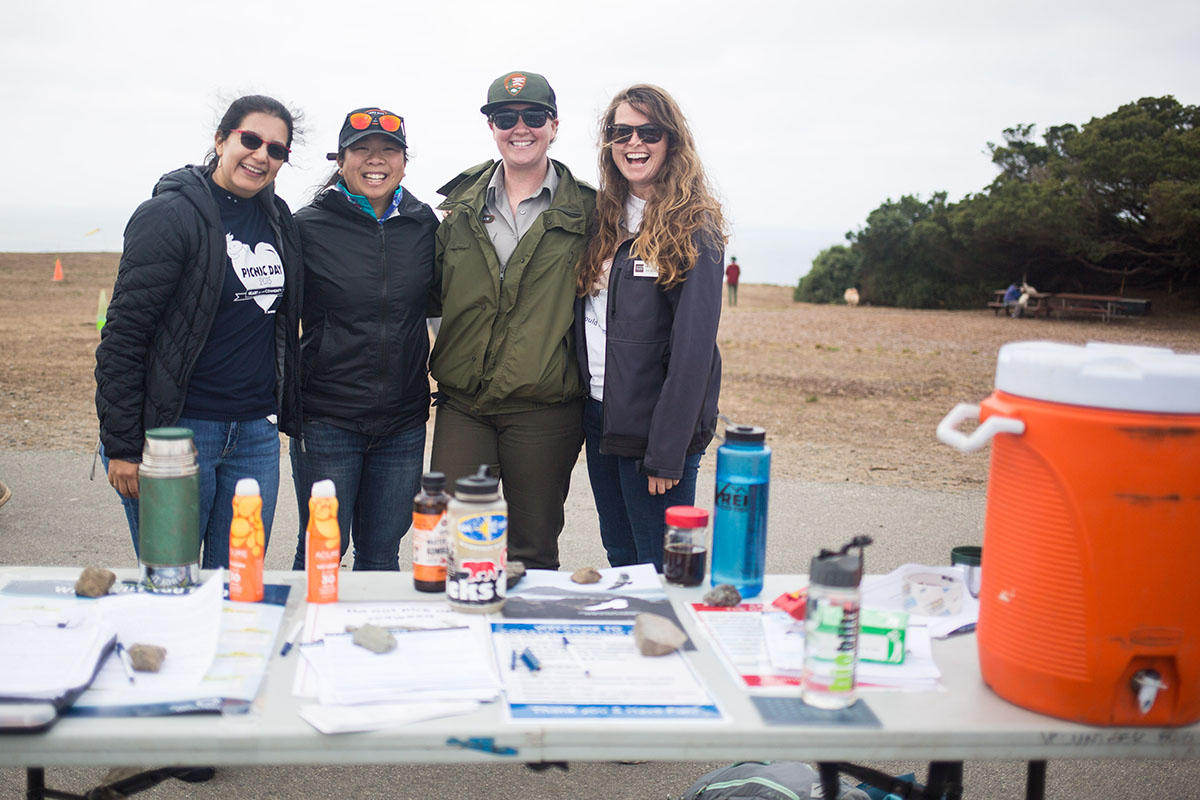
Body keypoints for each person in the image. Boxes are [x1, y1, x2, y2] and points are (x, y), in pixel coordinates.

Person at [95, 95, 303, 568]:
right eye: (250, 140)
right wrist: (124, 446)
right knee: (174, 578)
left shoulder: (278, 218)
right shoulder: (169, 216)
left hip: (255, 434)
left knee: (239, 580)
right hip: (177, 433)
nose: (261, 155)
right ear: (221, 140)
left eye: (276, 150)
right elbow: (124, 337)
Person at [430, 70, 596, 571]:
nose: (519, 128)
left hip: (544, 410)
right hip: (464, 406)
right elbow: (431, 297)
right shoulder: (457, 207)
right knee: (454, 543)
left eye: (533, 117)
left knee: (532, 551)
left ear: (554, 124)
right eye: (505, 117)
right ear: (492, 126)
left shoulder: (591, 211)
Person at [574, 84, 726, 570]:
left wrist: (666, 452)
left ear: (672, 142)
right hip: (601, 418)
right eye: (621, 132)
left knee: (658, 568)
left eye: (649, 132)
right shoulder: (604, 218)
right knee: (620, 556)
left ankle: (665, 646)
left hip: (656, 435)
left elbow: (692, 352)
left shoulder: (693, 226)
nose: (633, 143)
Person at [288, 108, 438, 571]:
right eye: (362, 150)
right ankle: (308, 640)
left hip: (403, 423)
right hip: (328, 419)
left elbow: (442, 302)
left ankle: (377, 640)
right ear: (341, 160)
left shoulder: (423, 224)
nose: (376, 160)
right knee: (322, 551)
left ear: (404, 162)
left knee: (381, 553)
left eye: (389, 150)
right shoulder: (306, 227)